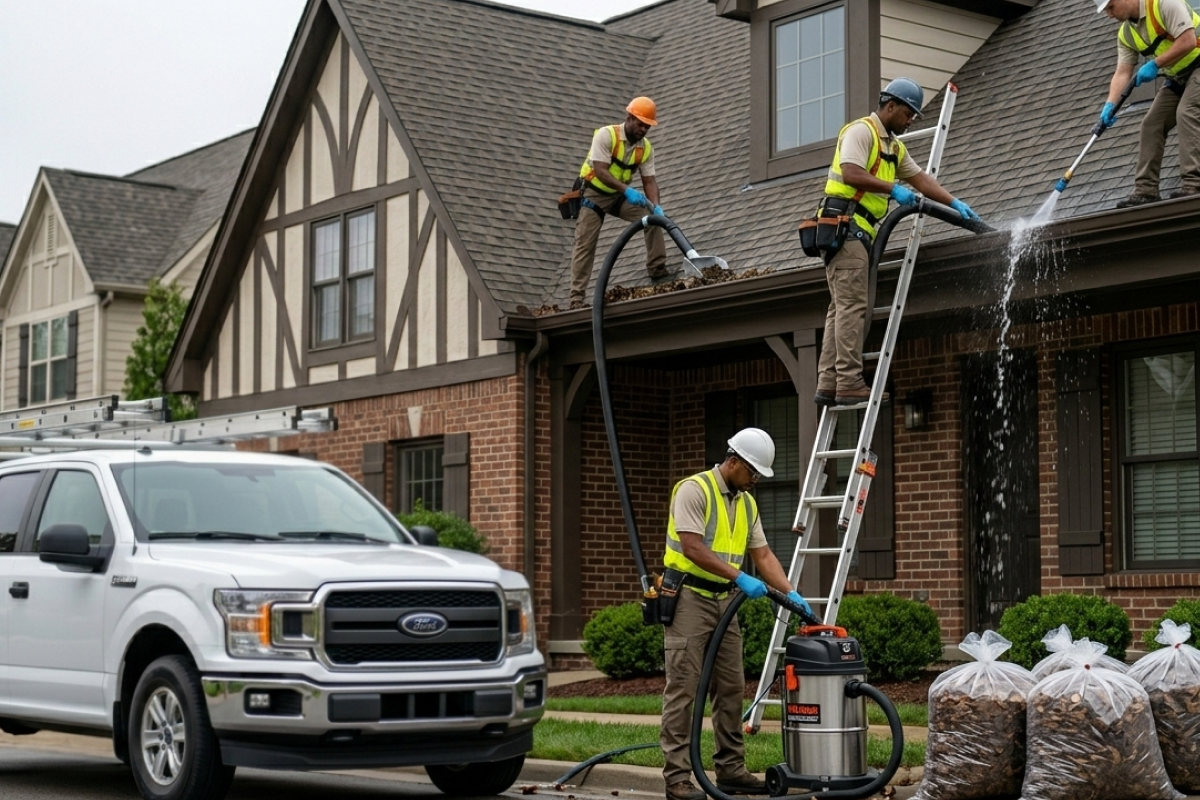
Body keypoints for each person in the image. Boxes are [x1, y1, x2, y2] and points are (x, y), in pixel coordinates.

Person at [659, 428, 812, 800]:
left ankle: (730, 770)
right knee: (683, 688)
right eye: (753, 472)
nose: (756, 480)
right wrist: (740, 576)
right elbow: (692, 547)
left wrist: (791, 593)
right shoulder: (693, 490)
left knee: (730, 688)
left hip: (726, 600)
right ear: (734, 461)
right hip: (690, 599)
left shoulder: (746, 503)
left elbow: (763, 556)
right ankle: (677, 778)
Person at [814, 78, 981, 407]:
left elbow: (920, 179)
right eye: (908, 114)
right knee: (852, 307)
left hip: (857, 232)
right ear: (890, 106)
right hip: (846, 228)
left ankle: (829, 381)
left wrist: (954, 202)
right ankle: (848, 381)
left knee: (840, 308)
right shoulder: (861, 132)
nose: (910, 121)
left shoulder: (893, 147)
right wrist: (892, 190)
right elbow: (850, 173)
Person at [1097, 0, 1200, 207]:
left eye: (1111, 7)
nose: (1109, 15)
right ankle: (1146, 191)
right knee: (1151, 124)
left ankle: (1194, 184)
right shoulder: (1126, 34)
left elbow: (1188, 40)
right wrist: (1110, 104)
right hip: (1177, 76)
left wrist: (1155, 63)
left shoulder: (1164, 4)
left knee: (1186, 112)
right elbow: (1123, 72)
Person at [568, 97, 669, 309]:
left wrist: (656, 206)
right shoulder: (607, 135)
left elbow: (650, 181)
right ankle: (577, 299)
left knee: (652, 219)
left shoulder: (646, 148)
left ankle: (657, 269)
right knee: (585, 242)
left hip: (618, 196)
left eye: (647, 126)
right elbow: (601, 171)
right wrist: (627, 190)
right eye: (640, 124)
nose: (643, 129)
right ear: (629, 118)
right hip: (594, 194)